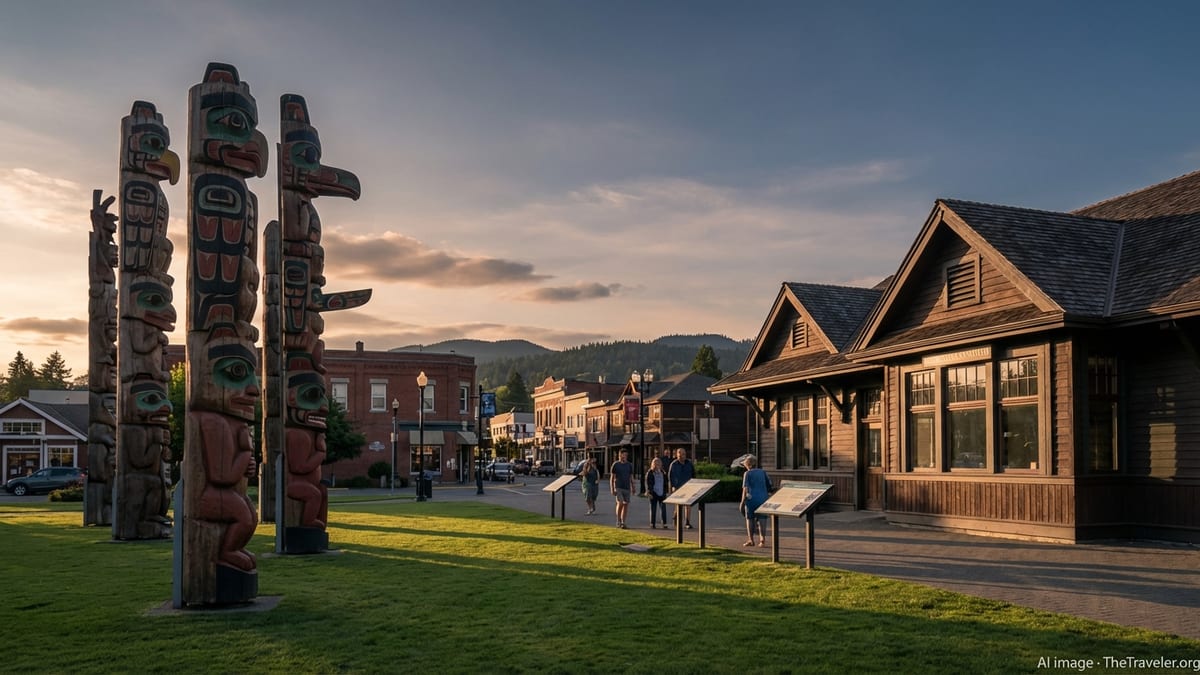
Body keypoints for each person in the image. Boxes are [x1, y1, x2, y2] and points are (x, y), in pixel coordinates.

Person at [739, 455, 771, 547]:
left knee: (750, 519)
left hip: (751, 499)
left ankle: (751, 540)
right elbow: (769, 485)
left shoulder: (747, 474)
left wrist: (742, 502)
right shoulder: (763, 472)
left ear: (748, 464)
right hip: (763, 498)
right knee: (762, 519)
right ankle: (762, 540)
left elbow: (745, 489)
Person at [667, 447, 695, 528]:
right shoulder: (674, 464)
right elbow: (670, 477)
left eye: (683, 454)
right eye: (680, 454)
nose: (682, 456)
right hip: (678, 488)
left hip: (688, 487)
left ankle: (687, 522)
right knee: (678, 506)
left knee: (688, 505)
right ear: (677, 455)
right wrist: (672, 487)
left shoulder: (689, 464)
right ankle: (676, 519)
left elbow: (693, 474)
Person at [609, 449, 634, 529]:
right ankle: (618, 520)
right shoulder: (615, 465)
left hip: (626, 487)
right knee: (620, 503)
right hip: (618, 487)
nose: (625, 457)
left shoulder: (629, 465)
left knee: (626, 504)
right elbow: (612, 478)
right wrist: (612, 488)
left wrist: (633, 487)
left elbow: (631, 477)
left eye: (626, 455)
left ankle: (623, 522)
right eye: (623, 455)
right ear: (619, 455)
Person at [644, 457, 668, 528]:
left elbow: (666, 482)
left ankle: (664, 523)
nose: (657, 465)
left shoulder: (663, 472)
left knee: (663, 508)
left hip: (662, 492)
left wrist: (666, 491)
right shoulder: (650, 473)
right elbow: (648, 483)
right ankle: (652, 523)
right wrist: (648, 492)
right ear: (653, 464)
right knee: (653, 508)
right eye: (655, 463)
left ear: (661, 464)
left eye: (659, 463)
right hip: (653, 492)